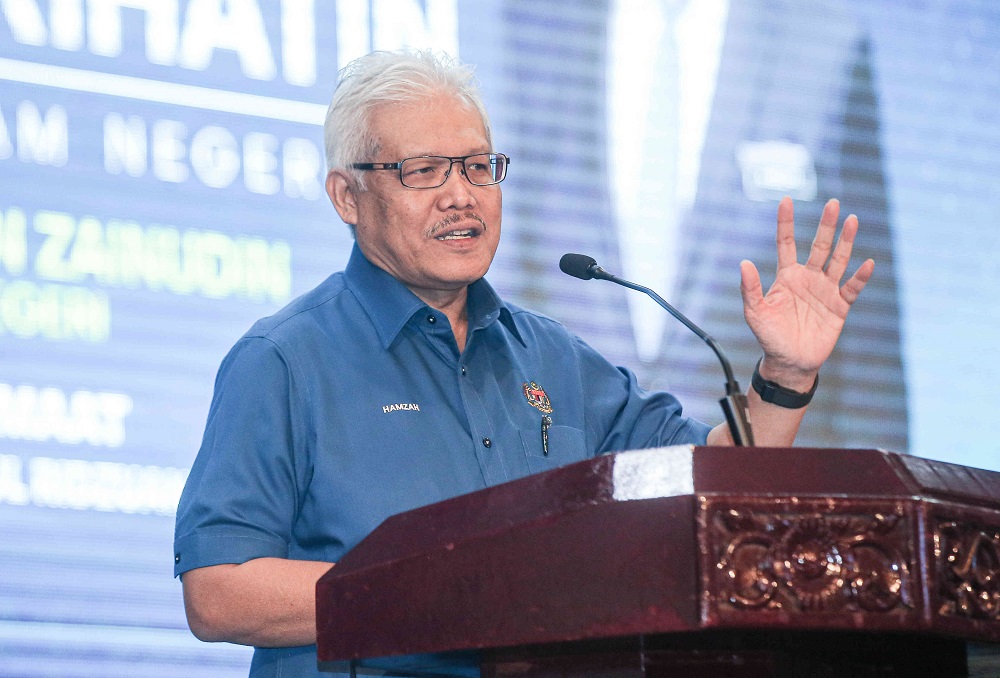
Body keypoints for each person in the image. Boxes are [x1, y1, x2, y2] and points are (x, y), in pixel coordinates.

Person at [173, 49, 874, 677]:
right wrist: (455, 594)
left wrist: (785, 373)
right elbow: (219, 592)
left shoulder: (553, 357)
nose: (461, 194)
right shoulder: (283, 362)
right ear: (346, 197)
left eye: (479, 166)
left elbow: (712, 484)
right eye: (423, 171)